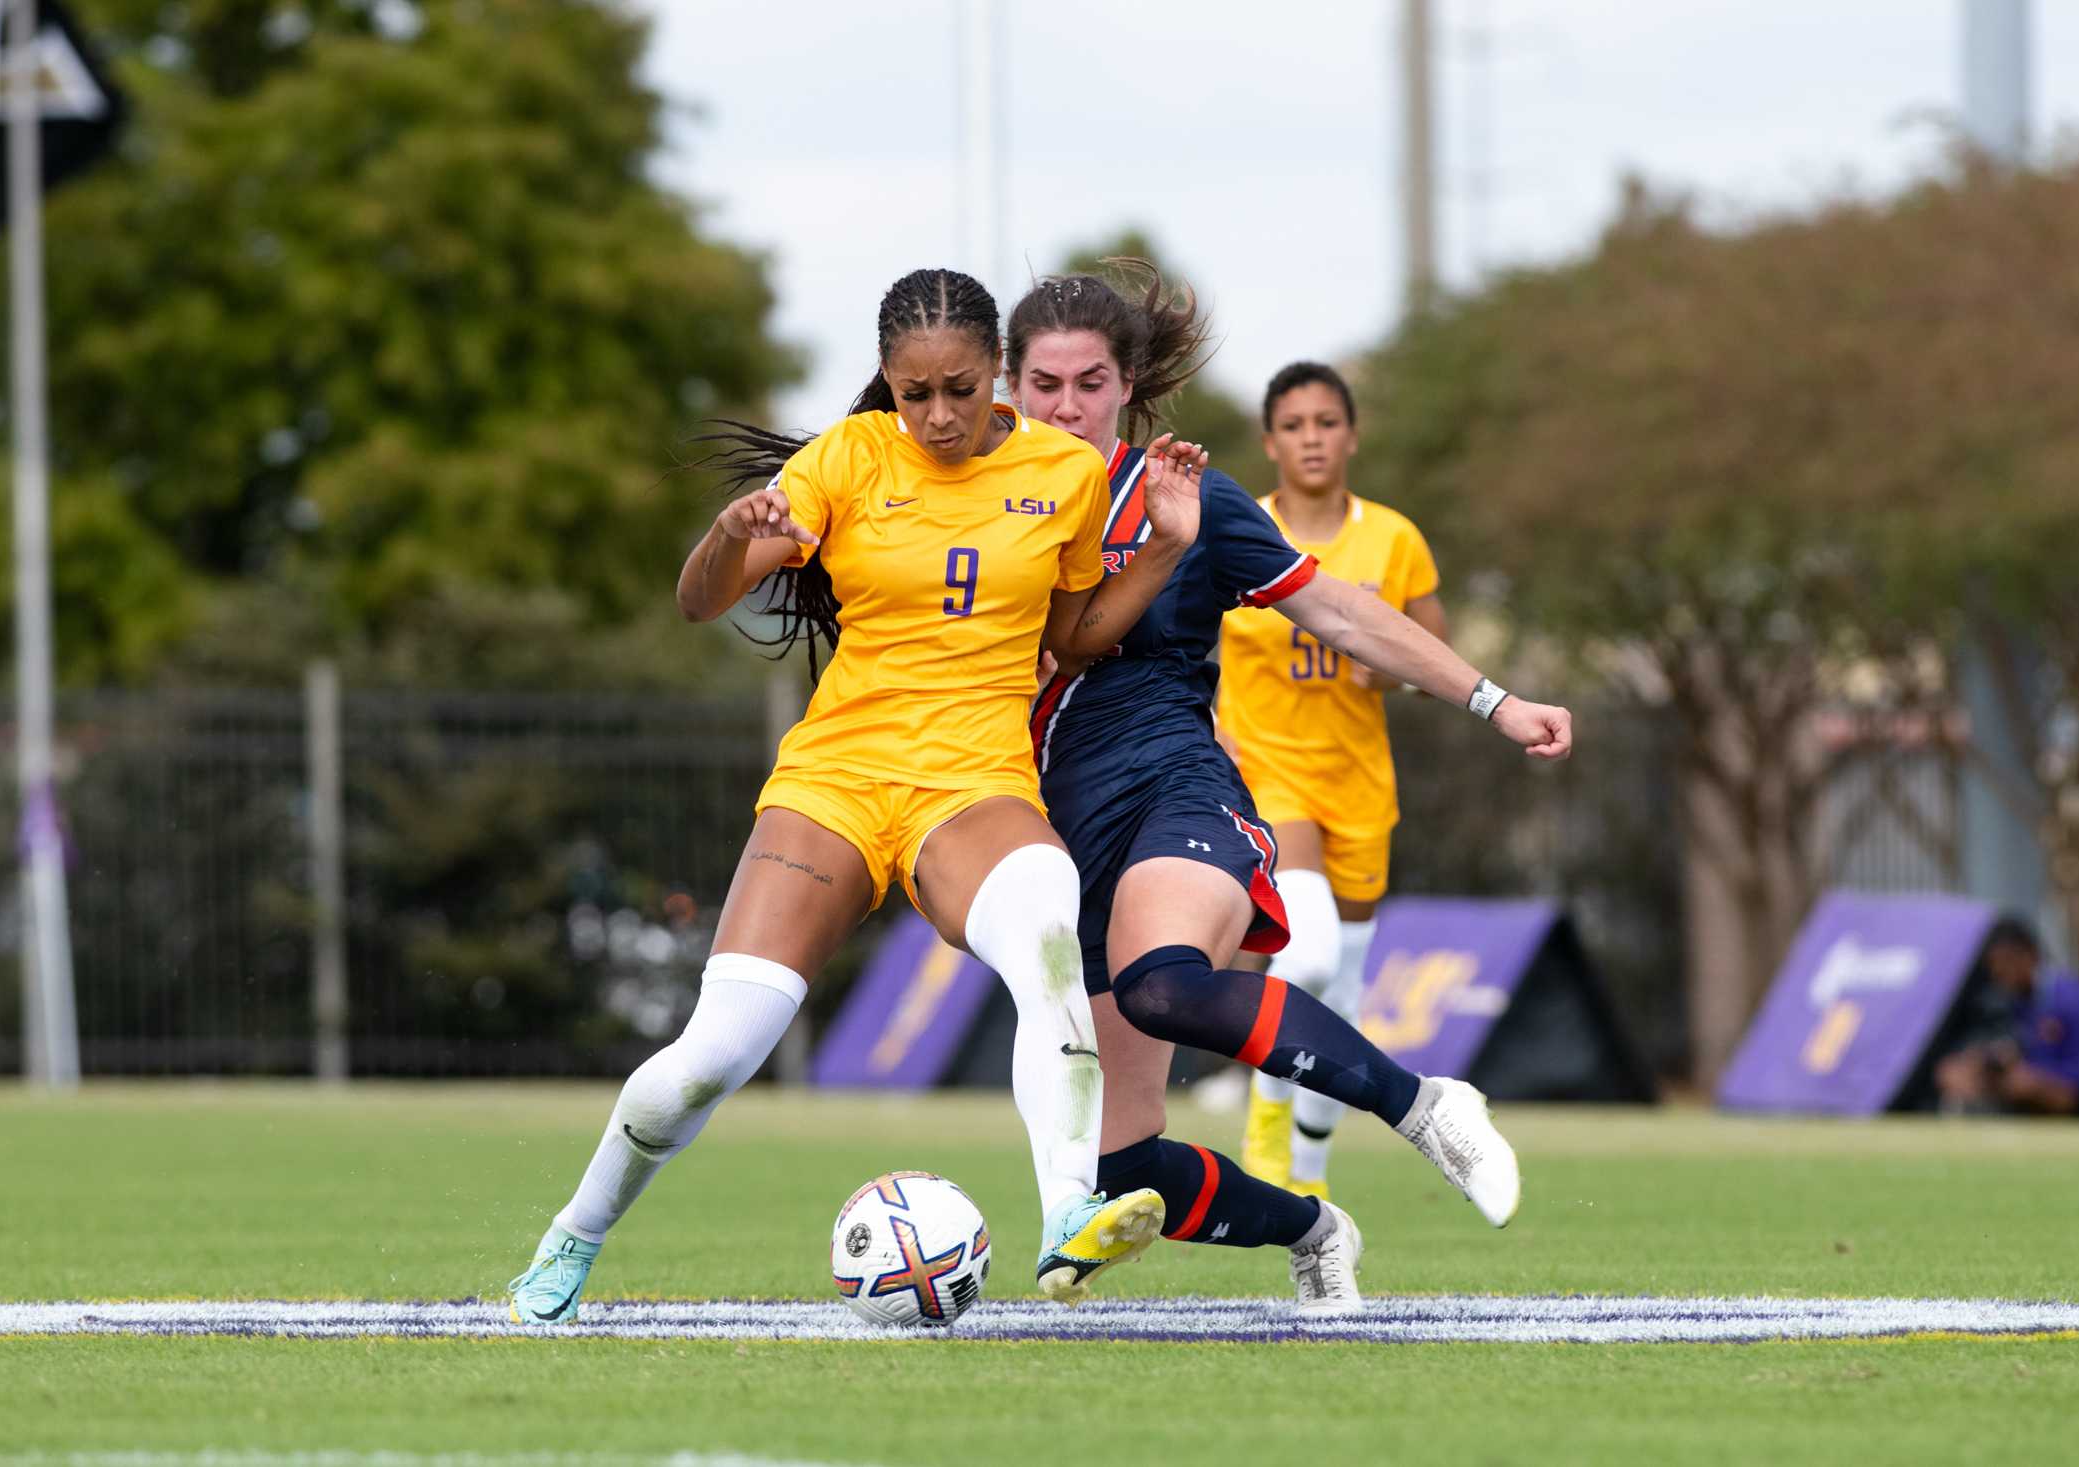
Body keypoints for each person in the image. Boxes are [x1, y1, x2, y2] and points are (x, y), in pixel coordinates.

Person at [507, 268, 1206, 1325]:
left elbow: (1069, 640)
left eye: (960, 391)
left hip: (972, 784)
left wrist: (1163, 546)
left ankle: (1069, 1213)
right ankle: (576, 1232)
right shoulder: (843, 458)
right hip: (836, 780)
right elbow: (703, 602)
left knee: (1049, 934)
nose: (936, 416)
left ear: (997, 378)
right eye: (913, 392)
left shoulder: (1059, 473)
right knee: (711, 1058)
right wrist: (729, 533)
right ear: (886, 380)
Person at [1006, 263, 1573, 1310]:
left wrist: (1495, 701)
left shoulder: (1191, 501)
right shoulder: (978, 511)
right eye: (1045, 384)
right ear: (1011, 389)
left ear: (1127, 385)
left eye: (1090, 383)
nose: (1066, 407)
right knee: (1118, 1171)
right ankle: (1316, 1226)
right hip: (1051, 838)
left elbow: (1347, 616)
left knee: (1162, 981)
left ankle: (1427, 1109)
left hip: (1178, 790)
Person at [1217, 361, 1447, 1196]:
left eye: (1326, 422)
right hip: (1269, 779)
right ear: (1270, 440)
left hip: (1360, 785)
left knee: (1341, 992)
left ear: (1351, 434)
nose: (1311, 437)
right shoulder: (1241, 526)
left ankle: (1308, 1165)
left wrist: (1389, 674)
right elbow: (1174, 639)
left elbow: (1430, 652)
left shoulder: (1393, 538)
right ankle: (1266, 1106)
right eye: (1295, 424)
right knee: (1304, 954)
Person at [1935, 918, 2079, 1117]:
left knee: (2023, 1084)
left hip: (2070, 1093)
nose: (1999, 972)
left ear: (2031, 956)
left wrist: (2037, 1079)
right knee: (1956, 1073)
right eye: (1993, 965)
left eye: (2006, 962)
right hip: (2023, 1086)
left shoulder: (2071, 999)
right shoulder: (2011, 1000)